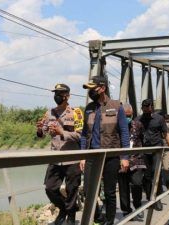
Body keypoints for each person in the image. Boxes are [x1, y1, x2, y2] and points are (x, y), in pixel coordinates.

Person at [80, 76, 130, 225]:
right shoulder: (89, 108)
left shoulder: (116, 106)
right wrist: (82, 155)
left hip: (110, 154)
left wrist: (124, 156)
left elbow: (124, 133)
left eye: (92, 89)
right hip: (91, 155)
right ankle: (97, 217)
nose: (90, 92)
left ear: (102, 88)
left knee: (109, 192)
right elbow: (84, 134)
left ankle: (109, 221)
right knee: (88, 191)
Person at [36, 83, 84, 225]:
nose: (56, 96)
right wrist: (39, 129)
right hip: (55, 158)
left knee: (71, 190)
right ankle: (63, 209)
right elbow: (42, 134)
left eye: (60, 93)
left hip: (71, 159)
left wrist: (62, 132)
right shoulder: (49, 112)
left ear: (67, 96)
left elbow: (80, 136)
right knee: (50, 188)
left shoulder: (76, 112)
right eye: (55, 93)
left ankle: (70, 218)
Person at [136, 99, 169, 211]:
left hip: (157, 150)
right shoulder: (138, 120)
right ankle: (149, 198)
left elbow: (166, 134)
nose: (146, 108)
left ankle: (157, 199)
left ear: (152, 107)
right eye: (144, 106)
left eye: (148, 106)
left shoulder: (159, 119)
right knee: (147, 177)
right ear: (142, 108)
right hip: (144, 152)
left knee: (156, 174)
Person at [118, 103, 146, 221]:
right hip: (121, 160)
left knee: (137, 183)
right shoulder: (116, 127)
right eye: (125, 116)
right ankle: (126, 210)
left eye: (129, 115)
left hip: (137, 160)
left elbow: (143, 140)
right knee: (123, 187)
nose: (127, 118)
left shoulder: (138, 125)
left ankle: (138, 205)